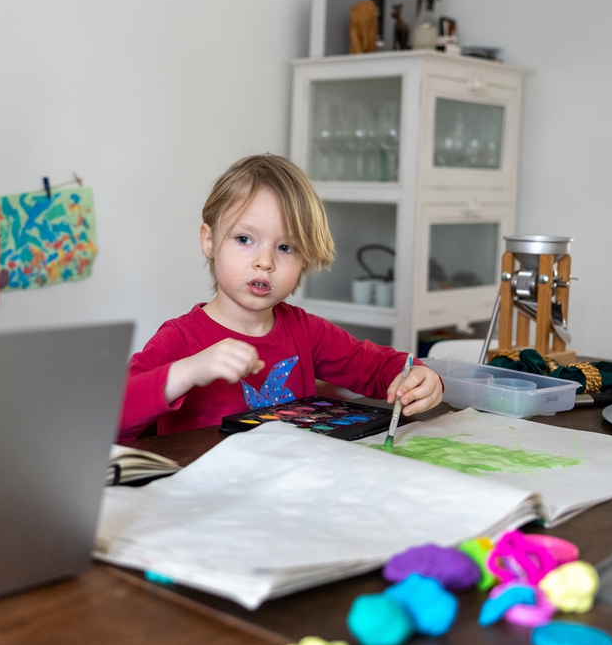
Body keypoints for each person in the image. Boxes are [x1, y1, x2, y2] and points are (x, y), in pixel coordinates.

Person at [119, 154, 442, 440]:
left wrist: (417, 377)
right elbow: (113, 416)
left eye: (285, 247)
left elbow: (380, 367)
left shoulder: (307, 332)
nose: (265, 262)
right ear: (210, 241)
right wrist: (188, 370)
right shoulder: (181, 339)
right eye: (244, 239)